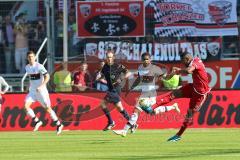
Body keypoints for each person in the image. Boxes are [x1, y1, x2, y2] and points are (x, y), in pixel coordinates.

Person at [113, 52, 180, 137]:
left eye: (147, 59)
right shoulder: (140, 67)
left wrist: (172, 74)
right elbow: (139, 79)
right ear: (142, 60)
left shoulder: (155, 68)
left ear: (150, 59)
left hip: (150, 93)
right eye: (144, 59)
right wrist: (131, 88)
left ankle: (124, 130)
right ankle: (173, 106)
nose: (146, 61)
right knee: (152, 112)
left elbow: (165, 77)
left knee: (136, 110)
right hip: (144, 93)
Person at [153, 51, 210, 142]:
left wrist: (178, 71)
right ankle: (152, 107)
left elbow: (188, 71)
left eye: (183, 61)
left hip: (200, 94)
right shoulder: (195, 61)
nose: (182, 63)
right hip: (193, 87)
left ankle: (178, 135)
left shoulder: (195, 63)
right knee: (174, 94)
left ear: (187, 59)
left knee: (189, 114)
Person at [24, 51, 64, 135]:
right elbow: (30, 78)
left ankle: (59, 124)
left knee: (47, 108)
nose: (31, 58)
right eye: (29, 57)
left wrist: (41, 86)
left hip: (41, 91)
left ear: (35, 57)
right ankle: (37, 121)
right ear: (27, 58)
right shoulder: (27, 67)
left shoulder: (39, 66)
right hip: (33, 91)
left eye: (32, 57)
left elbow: (47, 76)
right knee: (26, 106)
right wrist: (28, 86)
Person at [100, 50, 131, 131]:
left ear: (113, 57)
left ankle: (111, 122)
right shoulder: (105, 67)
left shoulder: (117, 65)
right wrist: (99, 79)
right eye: (108, 57)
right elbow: (103, 76)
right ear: (106, 58)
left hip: (116, 88)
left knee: (103, 104)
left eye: (110, 57)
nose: (109, 59)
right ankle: (132, 123)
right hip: (111, 89)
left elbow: (128, 73)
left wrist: (121, 79)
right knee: (120, 108)